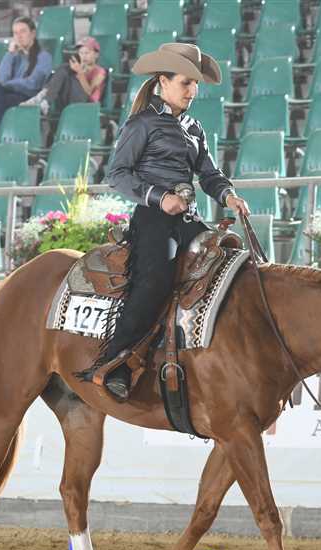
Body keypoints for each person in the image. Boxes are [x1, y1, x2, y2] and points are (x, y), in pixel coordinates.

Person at [79, 42, 251, 401]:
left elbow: (209, 174)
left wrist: (228, 196)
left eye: (196, 83)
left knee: (229, 266)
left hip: (188, 219)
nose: (193, 91)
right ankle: (115, 363)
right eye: (186, 83)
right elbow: (118, 174)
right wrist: (160, 197)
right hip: (154, 219)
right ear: (163, 81)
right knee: (154, 280)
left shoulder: (193, 127)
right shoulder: (142, 123)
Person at [0, 16, 53, 141]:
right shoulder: (14, 56)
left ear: (33, 33)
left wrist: (9, 84)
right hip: (8, 95)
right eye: (15, 33)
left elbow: (33, 83)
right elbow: (1, 79)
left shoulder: (44, 56)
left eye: (23, 31)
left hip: (28, 98)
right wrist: (9, 54)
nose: (19, 36)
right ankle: (3, 131)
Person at [23, 36, 107, 116]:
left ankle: (44, 98)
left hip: (88, 104)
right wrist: (79, 71)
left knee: (65, 68)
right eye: (81, 53)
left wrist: (80, 73)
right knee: (65, 68)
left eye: (87, 53)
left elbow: (89, 92)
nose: (84, 56)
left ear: (96, 55)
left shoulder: (100, 71)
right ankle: (45, 98)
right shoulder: (79, 68)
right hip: (71, 99)